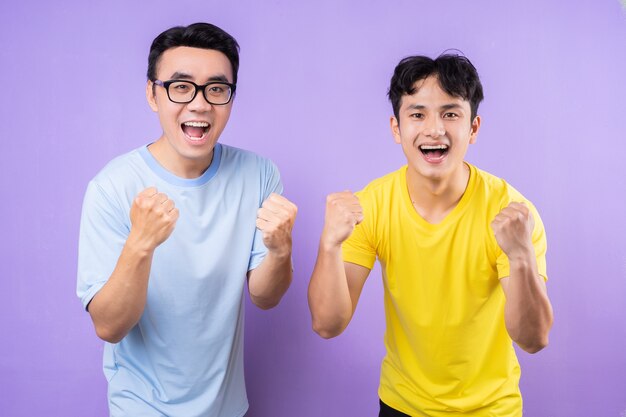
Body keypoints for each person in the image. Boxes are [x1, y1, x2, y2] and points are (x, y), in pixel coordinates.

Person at [308, 54, 554, 416]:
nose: (434, 129)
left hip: (491, 409)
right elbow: (327, 325)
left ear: (473, 128)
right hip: (401, 404)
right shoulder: (372, 205)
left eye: (451, 113)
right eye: (418, 114)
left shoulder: (512, 212)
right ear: (396, 128)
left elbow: (533, 340)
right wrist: (329, 244)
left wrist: (520, 258)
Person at [77, 23, 296, 417]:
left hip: (228, 408)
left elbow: (266, 297)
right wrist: (141, 243)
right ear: (152, 93)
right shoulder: (112, 187)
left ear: (230, 97)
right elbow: (109, 326)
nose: (199, 104)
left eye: (216, 89)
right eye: (181, 86)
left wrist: (281, 250)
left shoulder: (259, 174)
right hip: (142, 408)